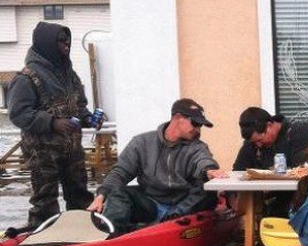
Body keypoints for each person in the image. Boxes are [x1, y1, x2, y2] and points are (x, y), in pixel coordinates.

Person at [7, 22, 98, 228]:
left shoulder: (69, 74)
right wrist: (52, 123)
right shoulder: (26, 77)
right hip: (42, 152)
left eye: (68, 40)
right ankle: (41, 239)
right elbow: (18, 113)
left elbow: (79, 105)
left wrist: (89, 118)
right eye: (60, 41)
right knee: (45, 200)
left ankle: (84, 232)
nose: (66, 44)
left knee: (80, 194)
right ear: (47, 43)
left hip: (72, 148)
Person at [87, 98, 220, 232]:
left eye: (200, 125)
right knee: (119, 194)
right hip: (151, 203)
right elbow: (120, 172)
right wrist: (101, 196)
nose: (198, 129)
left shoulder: (197, 147)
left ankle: (169, 222)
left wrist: (208, 170)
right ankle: (109, 237)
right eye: (195, 123)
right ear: (178, 117)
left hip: (183, 205)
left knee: (208, 193)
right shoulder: (142, 142)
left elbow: (203, 160)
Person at [232, 106, 308, 217]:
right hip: (272, 202)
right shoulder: (252, 144)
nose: (258, 145)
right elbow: (237, 171)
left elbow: (304, 171)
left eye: (260, 140)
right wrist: (232, 197)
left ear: (269, 126)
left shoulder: (296, 132)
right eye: (254, 142)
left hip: (300, 200)